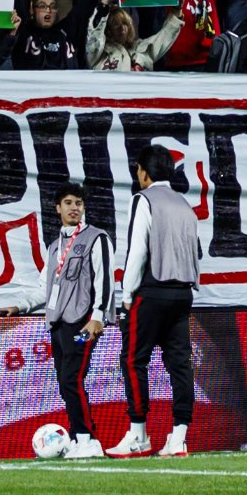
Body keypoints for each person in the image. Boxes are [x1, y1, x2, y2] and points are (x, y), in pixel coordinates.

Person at [106, 141, 205, 457]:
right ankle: (179, 437)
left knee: (134, 359)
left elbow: (137, 251)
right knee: (180, 363)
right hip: (183, 293)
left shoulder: (143, 199)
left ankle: (139, 434)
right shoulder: (184, 204)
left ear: (144, 172)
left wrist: (126, 295)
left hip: (152, 290)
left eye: (138, 168)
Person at [37, 186, 113, 458]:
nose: (74, 208)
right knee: (64, 380)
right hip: (57, 324)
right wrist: (18, 305)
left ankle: (87, 439)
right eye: (68, 202)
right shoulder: (55, 246)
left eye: (78, 203)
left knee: (72, 377)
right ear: (57, 208)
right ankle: (77, 436)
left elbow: (105, 280)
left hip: (82, 324)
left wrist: (97, 317)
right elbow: (43, 287)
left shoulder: (96, 238)